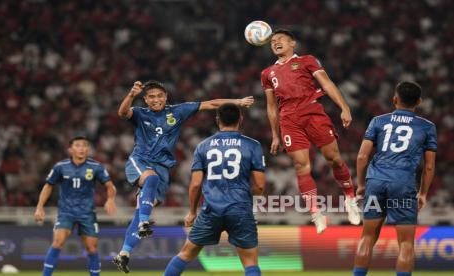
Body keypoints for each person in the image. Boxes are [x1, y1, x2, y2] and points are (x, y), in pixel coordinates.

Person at [113, 81, 254, 273]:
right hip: (141, 161)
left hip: (163, 168)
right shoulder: (139, 113)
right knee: (150, 180)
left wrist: (237, 101)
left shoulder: (177, 112)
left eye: (159, 96)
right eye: (151, 97)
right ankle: (145, 222)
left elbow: (211, 104)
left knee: (140, 211)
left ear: (166, 96)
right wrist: (131, 95)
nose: (156, 100)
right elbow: (122, 113)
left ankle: (124, 254)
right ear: (145, 100)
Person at [260, 28, 360, 233]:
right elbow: (271, 106)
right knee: (300, 166)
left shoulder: (307, 60)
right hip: (288, 119)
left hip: (312, 113)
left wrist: (344, 107)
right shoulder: (267, 73)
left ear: (292, 43)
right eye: (272, 41)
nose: (276, 42)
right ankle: (316, 213)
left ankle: (350, 199)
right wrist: (275, 134)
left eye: (280, 39)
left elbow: (327, 83)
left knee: (334, 159)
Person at [163, 103, 265, 276]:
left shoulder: (203, 146)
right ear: (240, 119)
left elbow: (195, 184)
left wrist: (192, 212)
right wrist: (246, 195)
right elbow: (260, 185)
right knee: (250, 262)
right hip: (240, 209)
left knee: (186, 253)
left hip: (211, 209)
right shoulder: (252, 145)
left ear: (218, 120)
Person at [353, 81, 437, 276]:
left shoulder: (378, 121)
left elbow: (361, 156)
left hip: (375, 182)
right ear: (419, 101)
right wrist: (422, 193)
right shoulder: (427, 127)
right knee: (406, 244)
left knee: (366, 238)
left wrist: (361, 185)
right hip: (403, 183)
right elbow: (430, 166)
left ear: (394, 100)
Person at [34, 136, 117, 276]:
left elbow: (110, 186)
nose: (81, 148)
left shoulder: (96, 167)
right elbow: (48, 186)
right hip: (66, 212)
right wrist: (39, 207)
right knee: (58, 242)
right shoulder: (60, 167)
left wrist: (110, 199)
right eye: (78, 145)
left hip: (87, 213)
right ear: (70, 149)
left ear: (88, 149)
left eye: (84, 145)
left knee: (91, 248)